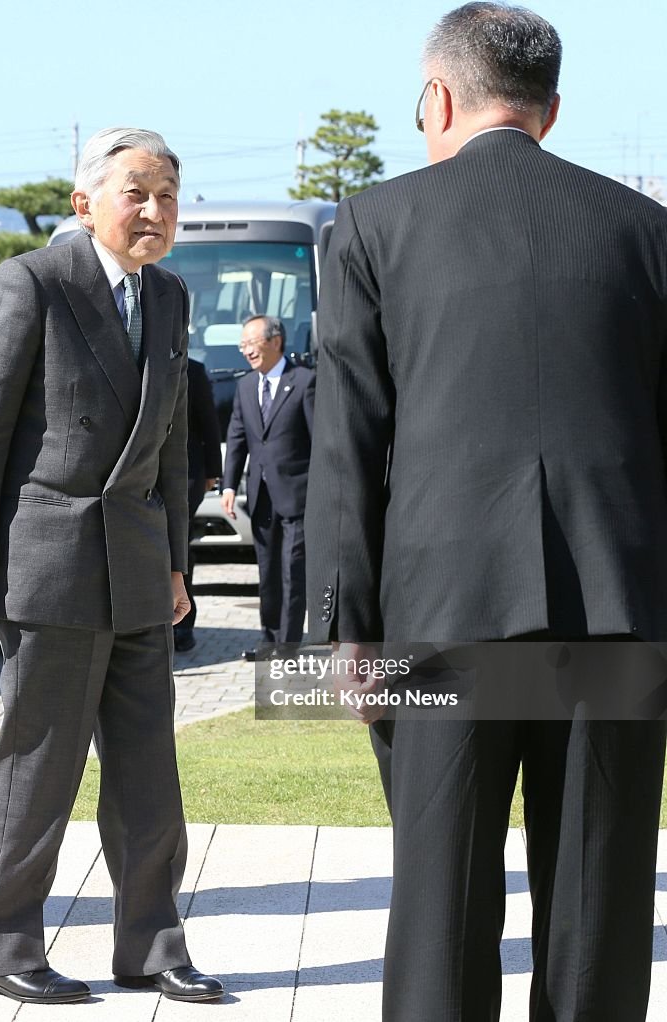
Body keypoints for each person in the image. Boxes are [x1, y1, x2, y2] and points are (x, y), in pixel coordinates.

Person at [304, 4, 667, 1020]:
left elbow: (348, 446)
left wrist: (344, 628)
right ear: (551, 110)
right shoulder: (647, 232)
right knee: (599, 905)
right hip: (618, 604)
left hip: (438, 606)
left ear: (439, 96)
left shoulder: (372, 223)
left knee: (440, 896)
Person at [0, 127, 223, 1006]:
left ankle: (153, 946)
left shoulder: (171, 295)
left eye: (168, 195)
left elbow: (173, 450)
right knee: (39, 764)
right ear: (84, 203)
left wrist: (179, 564)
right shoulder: (32, 282)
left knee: (149, 772)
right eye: (136, 192)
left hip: (141, 563)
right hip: (48, 558)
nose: (154, 210)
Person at [221, 315, 314, 659]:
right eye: (242, 345)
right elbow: (237, 437)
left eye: (251, 343)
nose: (246, 351)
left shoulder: (304, 382)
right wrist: (229, 485)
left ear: (275, 341)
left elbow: (319, 440)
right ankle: (269, 639)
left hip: (296, 496)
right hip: (260, 497)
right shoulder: (246, 387)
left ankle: (288, 647)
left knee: (292, 571)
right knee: (267, 572)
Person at [173, 358, 222, 653]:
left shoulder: (194, 370)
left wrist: (212, 473)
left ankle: (184, 625)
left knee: (180, 550)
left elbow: (210, 425)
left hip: (188, 475)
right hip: (148, 475)